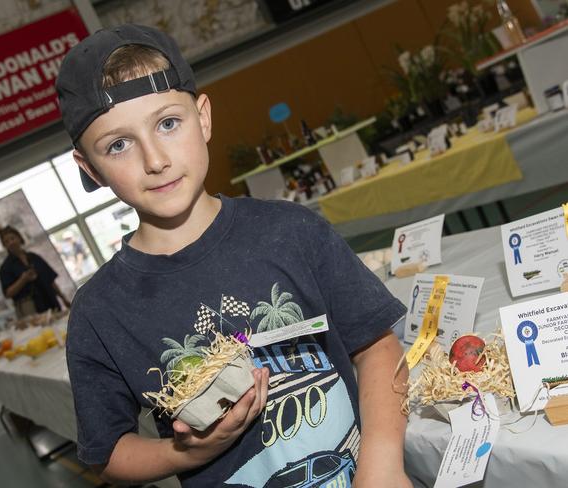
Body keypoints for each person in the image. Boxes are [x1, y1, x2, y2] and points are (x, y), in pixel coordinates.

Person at [56, 25, 411, 488]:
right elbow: (108, 453)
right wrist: (185, 452)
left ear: (202, 118)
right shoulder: (100, 312)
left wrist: (381, 467)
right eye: (118, 145)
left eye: (168, 123)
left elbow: (378, 347)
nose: (155, 159)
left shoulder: (290, 230)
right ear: (90, 169)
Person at [0, 226, 70, 318]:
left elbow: (50, 280)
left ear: (19, 238)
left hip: (49, 300)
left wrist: (63, 298)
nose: (11, 243)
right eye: (6, 242)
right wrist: (23, 280)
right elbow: (8, 293)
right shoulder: (6, 268)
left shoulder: (34, 257)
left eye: (12, 238)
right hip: (30, 309)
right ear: (5, 246)